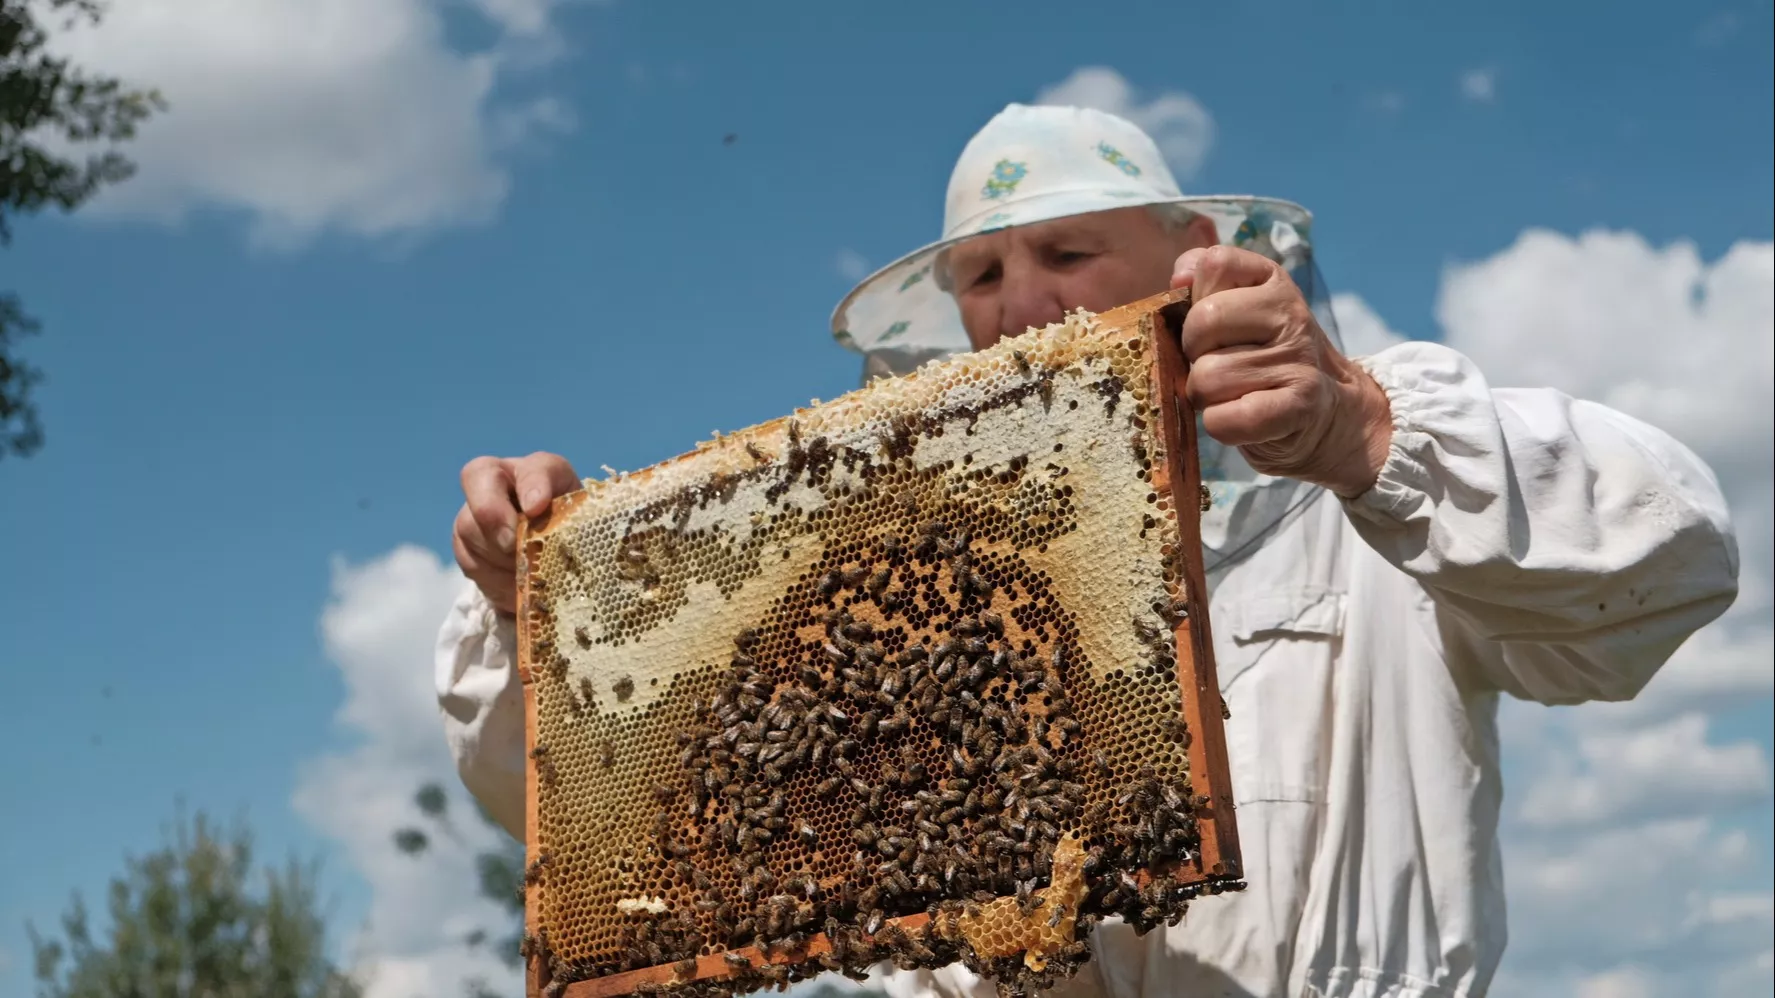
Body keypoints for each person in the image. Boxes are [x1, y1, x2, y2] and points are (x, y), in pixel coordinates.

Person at [435, 104, 1740, 998]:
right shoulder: (887, 596)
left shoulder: (1366, 493)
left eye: (1068, 252)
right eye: (985, 276)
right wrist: (541, 617)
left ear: (1185, 264)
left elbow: (1667, 560)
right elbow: (595, 815)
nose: (1025, 303)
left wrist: (1365, 432)